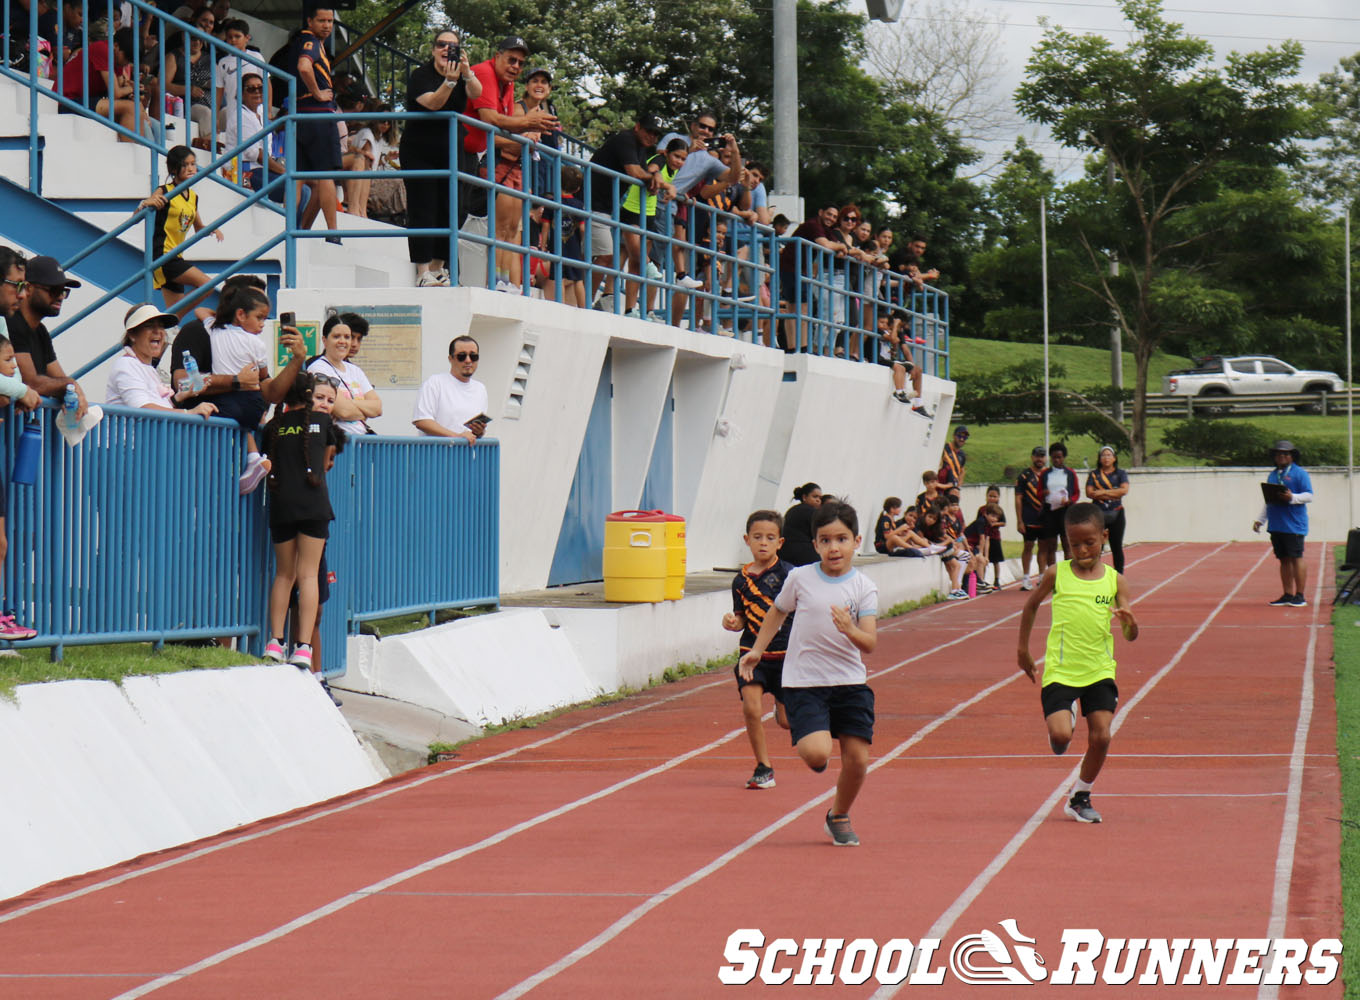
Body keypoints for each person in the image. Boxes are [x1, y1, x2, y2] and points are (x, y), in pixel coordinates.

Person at [739, 500, 878, 846]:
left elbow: (870, 643)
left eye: (842, 539)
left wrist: (849, 629)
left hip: (849, 683)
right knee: (817, 756)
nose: (834, 548)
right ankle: (810, 727)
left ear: (856, 541)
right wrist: (756, 650)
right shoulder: (799, 578)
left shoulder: (864, 586)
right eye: (826, 540)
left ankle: (839, 814)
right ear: (815, 544)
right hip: (805, 682)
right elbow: (777, 612)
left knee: (858, 759)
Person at [1017, 502, 1139, 824]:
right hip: (1062, 669)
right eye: (1074, 544)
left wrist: (1130, 622)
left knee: (1102, 736)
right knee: (1060, 740)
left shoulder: (1115, 582)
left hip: (1099, 669)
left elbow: (1130, 635)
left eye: (1090, 543)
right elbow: (1029, 607)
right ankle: (1067, 711)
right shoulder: (1058, 574)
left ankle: (1080, 795)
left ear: (1104, 537)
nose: (1082, 550)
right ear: (1065, 543)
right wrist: (1023, 650)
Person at [464, 36, 559, 292]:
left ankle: (507, 281)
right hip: (503, 168)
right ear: (527, 86)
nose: (539, 85)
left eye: (544, 82)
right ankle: (498, 281)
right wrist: (526, 133)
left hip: (519, 173)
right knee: (502, 230)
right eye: (535, 80)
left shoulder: (540, 112)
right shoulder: (517, 108)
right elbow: (498, 137)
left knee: (512, 233)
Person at [260, 371, 339, 671]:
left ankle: (275, 641)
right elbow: (327, 460)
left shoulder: (273, 427)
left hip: (281, 506)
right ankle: (303, 647)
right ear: (309, 395)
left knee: (283, 575)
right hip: (313, 505)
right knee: (307, 576)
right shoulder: (323, 423)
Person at [401, 29, 480, 286]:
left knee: (450, 208)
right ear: (433, 49)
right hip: (420, 149)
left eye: (453, 46)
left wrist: (466, 73)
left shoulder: (460, 74)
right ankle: (422, 271)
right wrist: (448, 82)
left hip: (450, 149)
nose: (447, 50)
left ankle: (438, 268)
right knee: (423, 207)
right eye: (442, 45)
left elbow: (476, 93)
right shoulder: (421, 75)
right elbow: (433, 104)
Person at [721, 510, 793, 790]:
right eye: (757, 537)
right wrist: (731, 621)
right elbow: (741, 617)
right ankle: (764, 767)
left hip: (786, 656)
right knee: (751, 708)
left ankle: (781, 708)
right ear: (747, 540)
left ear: (780, 542)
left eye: (770, 537)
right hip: (752, 655)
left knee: (788, 722)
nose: (763, 542)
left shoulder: (789, 575)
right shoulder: (740, 581)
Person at [588, 112, 664, 316]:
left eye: (656, 135)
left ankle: (592, 300)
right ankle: (586, 303)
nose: (652, 137)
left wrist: (654, 176)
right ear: (638, 126)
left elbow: (646, 172)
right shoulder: (626, 139)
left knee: (604, 256)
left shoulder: (640, 148)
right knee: (605, 256)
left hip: (604, 208)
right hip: (590, 204)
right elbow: (634, 172)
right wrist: (655, 179)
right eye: (649, 131)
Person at [136, 145, 225, 317]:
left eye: (193, 164)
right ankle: (169, 320)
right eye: (186, 165)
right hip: (162, 255)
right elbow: (139, 213)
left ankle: (168, 325)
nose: (191, 168)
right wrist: (145, 203)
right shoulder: (165, 190)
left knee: (175, 316)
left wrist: (213, 229)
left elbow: (198, 227)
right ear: (175, 168)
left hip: (176, 255)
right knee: (207, 285)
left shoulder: (193, 196)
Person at [7, 255, 88, 418]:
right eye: (54, 290)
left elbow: (57, 379)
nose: (60, 297)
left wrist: (70, 390)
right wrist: (69, 385)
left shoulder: (41, 331)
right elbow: (31, 382)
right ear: (28, 288)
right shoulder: (12, 323)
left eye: (64, 291)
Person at [106, 303, 218, 415]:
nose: (158, 331)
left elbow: (154, 406)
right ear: (132, 335)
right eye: (149, 326)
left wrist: (179, 397)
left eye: (161, 326)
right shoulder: (126, 365)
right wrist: (188, 413)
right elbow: (142, 409)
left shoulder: (146, 367)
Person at [293, 6, 342, 242]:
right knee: (326, 175)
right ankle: (333, 233)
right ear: (310, 21)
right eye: (321, 20)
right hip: (319, 114)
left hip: (300, 115)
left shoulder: (303, 41)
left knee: (298, 176)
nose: (327, 25)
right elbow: (304, 66)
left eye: (330, 21)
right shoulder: (311, 42)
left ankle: (294, 229)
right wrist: (318, 93)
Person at [1253, 440, 1313, 608]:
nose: (1282, 456)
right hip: (1276, 524)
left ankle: (1300, 595)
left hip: (1293, 524)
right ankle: (1287, 594)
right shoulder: (1273, 475)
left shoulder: (1300, 473)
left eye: (1285, 454)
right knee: (1284, 560)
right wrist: (1260, 520)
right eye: (1278, 454)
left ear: (1292, 456)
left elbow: (1309, 495)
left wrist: (1292, 498)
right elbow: (1269, 499)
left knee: (1296, 557)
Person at [307, 315, 380, 436]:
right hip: (336, 442)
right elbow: (344, 411)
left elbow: (378, 408)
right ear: (324, 340)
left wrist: (349, 403)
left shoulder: (355, 370)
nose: (343, 341)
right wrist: (366, 412)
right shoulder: (318, 368)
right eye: (336, 337)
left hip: (360, 441)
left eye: (347, 337)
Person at [411, 335, 489, 443]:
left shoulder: (480, 389)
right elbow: (422, 421)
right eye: (461, 356)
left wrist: (479, 431)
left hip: (467, 456)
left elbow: (476, 433)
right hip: (437, 456)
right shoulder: (435, 383)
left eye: (473, 356)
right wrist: (456, 437)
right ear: (450, 359)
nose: (468, 360)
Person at [1086, 445, 1129, 575]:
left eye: (1109, 455)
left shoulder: (1120, 474)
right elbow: (1090, 493)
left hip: (1117, 512)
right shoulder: (1094, 475)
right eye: (1103, 455)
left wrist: (1102, 492)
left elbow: (1124, 490)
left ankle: (1119, 575)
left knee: (1117, 547)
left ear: (1114, 458)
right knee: (1097, 547)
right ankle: (1095, 574)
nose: (1106, 458)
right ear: (1099, 459)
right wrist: (1113, 493)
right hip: (1098, 514)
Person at [1015, 446, 1047, 589]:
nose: (1039, 459)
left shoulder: (1048, 474)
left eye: (1042, 456)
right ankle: (1026, 578)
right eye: (1037, 456)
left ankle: (1042, 577)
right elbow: (1018, 499)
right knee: (1028, 546)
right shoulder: (1024, 476)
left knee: (1044, 547)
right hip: (1029, 517)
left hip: (1045, 517)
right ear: (1032, 457)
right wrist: (1019, 520)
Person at [1043, 441, 1079, 562]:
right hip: (1050, 511)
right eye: (1054, 457)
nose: (1056, 460)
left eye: (1059, 457)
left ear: (1063, 457)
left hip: (1065, 511)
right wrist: (1044, 493)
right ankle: (1053, 575)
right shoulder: (1045, 474)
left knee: (1067, 544)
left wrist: (1070, 500)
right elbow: (1039, 492)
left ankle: (1068, 573)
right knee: (1051, 545)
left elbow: (1076, 492)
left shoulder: (1070, 473)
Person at [778, 481, 822, 566]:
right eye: (815, 496)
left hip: (783, 553)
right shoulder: (813, 512)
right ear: (804, 497)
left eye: (820, 498)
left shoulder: (792, 510)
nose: (818, 500)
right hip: (804, 557)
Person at [980, 484, 1006, 589]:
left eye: (994, 496)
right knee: (983, 560)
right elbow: (978, 522)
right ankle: (982, 580)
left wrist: (994, 524)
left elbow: (1004, 522)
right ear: (986, 496)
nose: (992, 498)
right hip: (984, 537)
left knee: (996, 561)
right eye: (990, 496)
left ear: (998, 498)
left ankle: (997, 580)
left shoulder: (999, 510)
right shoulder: (982, 509)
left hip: (994, 537)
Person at [938, 425, 968, 495]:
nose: (962, 439)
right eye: (959, 436)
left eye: (965, 437)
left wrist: (957, 487)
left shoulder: (962, 455)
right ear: (954, 436)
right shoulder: (944, 448)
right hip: (941, 488)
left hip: (952, 490)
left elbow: (962, 472)